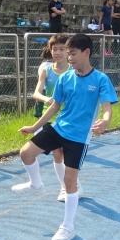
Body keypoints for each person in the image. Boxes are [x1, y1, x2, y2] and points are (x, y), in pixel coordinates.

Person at [13, 33, 117, 240]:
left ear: (86, 52)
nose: (69, 57)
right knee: (26, 153)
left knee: (70, 181)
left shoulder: (100, 79)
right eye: (68, 53)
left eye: (73, 53)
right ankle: (36, 184)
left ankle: (68, 227)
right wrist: (34, 127)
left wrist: (105, 121)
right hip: (59, 129)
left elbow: (107, 106)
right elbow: (54, 107)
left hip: (79, 137)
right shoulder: (65, 78)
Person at [32, 33, 81, 201]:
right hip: (50, 115)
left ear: (68, 51)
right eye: (55, 49)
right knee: (57, 153)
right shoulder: (46, 70)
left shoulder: (74, 71)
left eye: (62, 49)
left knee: (68, 155)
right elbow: (36, 93)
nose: (58, 52)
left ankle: (73, 183)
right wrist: (46, 98)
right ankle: (64, 187)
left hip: (69, 118)